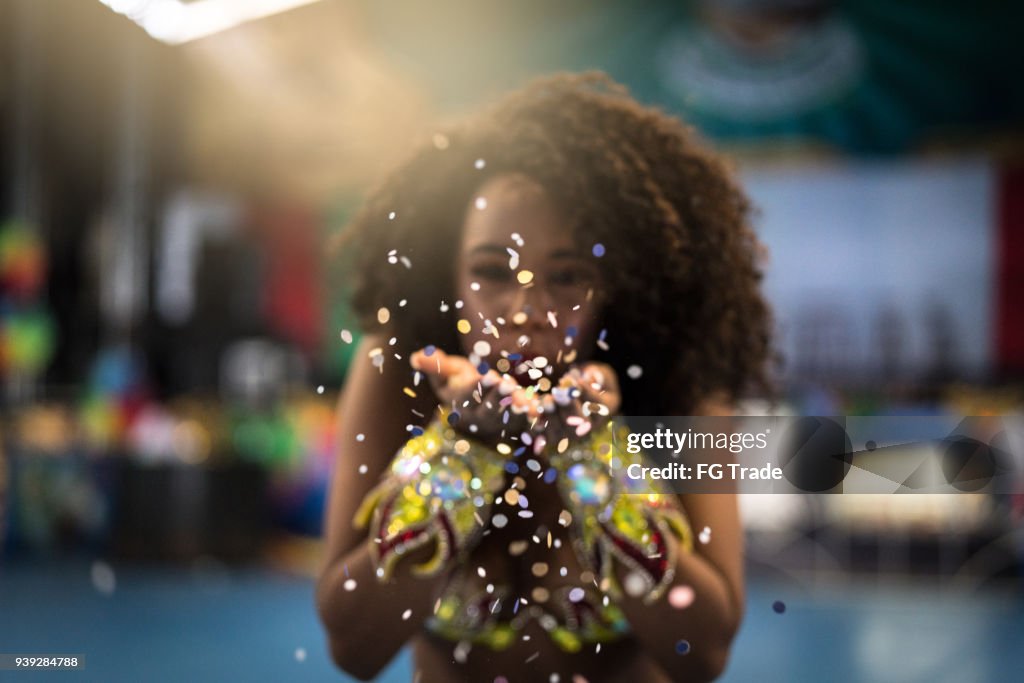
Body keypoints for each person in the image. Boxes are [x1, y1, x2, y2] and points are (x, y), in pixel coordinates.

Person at [317, 72, 772, 682]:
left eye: (566, 277)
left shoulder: (680, 377)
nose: (526, 310)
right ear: (445, 275)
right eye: (491, 272)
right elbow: (354, 649)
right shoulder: (399, 370)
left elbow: (703, 653)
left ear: (618, 285)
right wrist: (463, 449)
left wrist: (593, 459)